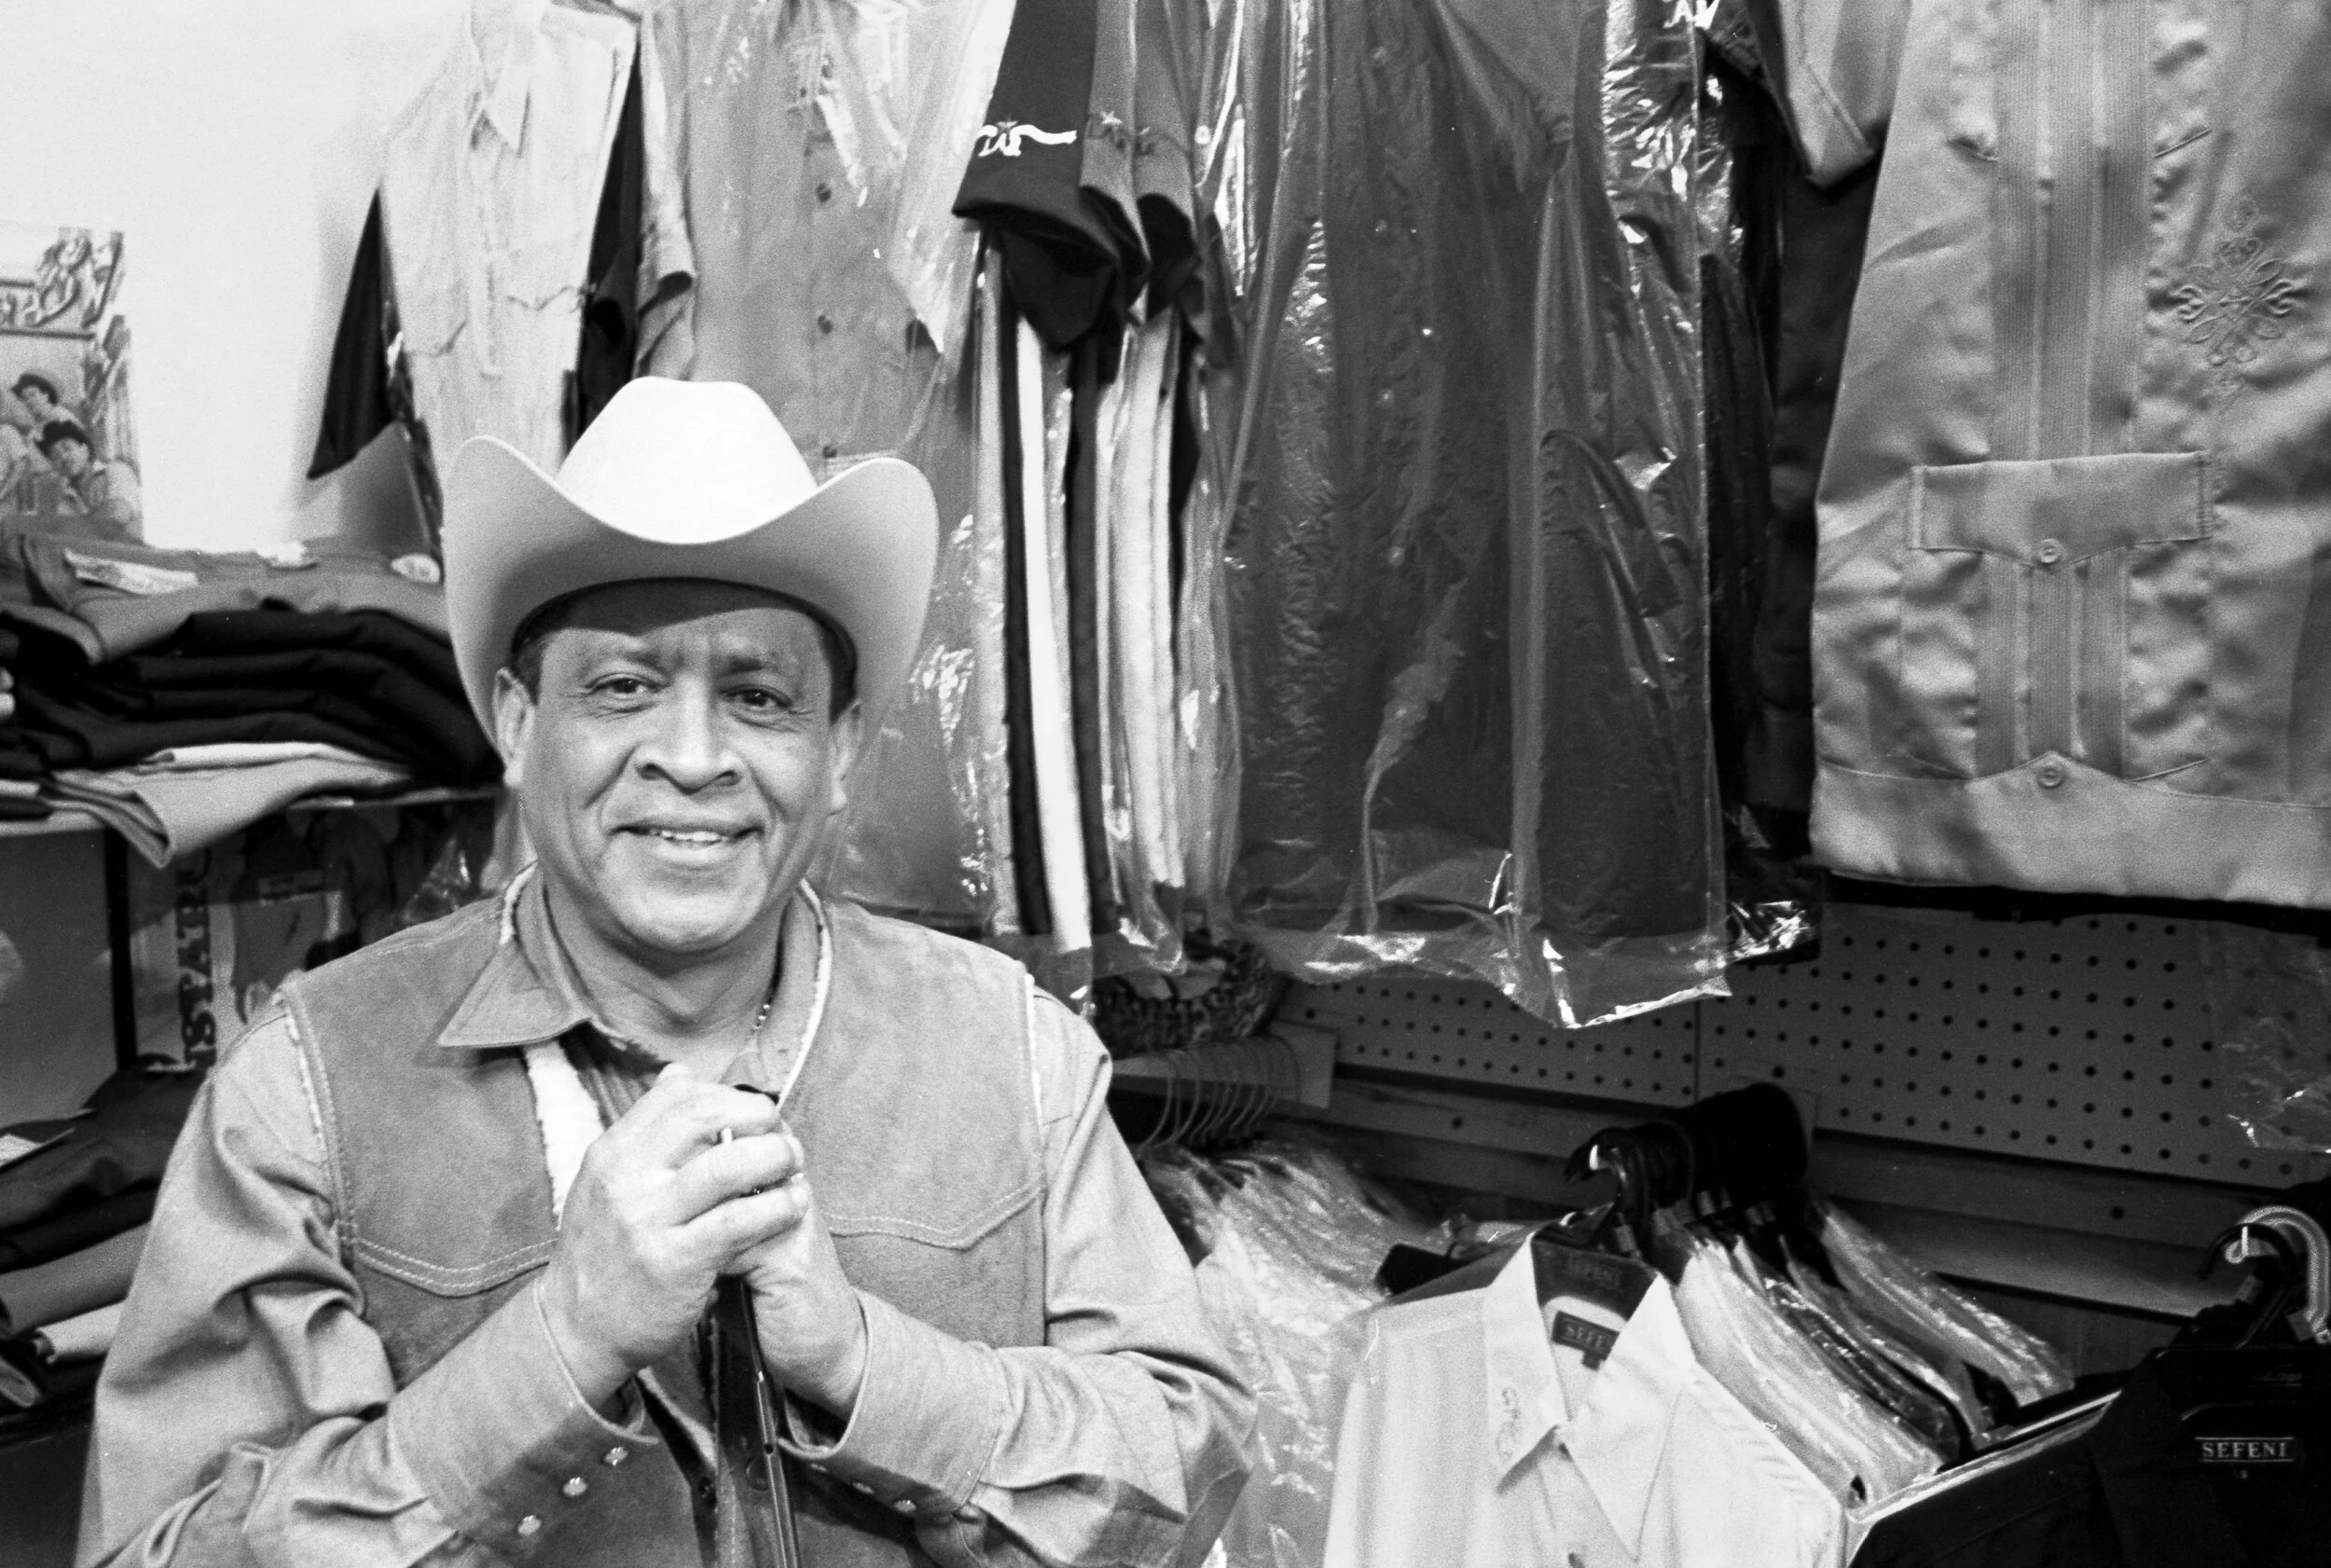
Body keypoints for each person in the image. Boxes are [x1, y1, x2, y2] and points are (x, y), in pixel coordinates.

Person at [80, 378, 1253, 1567]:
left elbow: (1180, 1475)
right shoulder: (309, 1087)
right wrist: (560, 1344)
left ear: (838, 747)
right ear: (518, 720)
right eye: (623, 687)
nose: (693, 758)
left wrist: (862, 1364)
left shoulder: (1011, 1052)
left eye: (757, 696)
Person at [40, 420, 143, 535]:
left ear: (85, 449)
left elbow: (117, 515)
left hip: (133, 549)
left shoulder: (116, 471)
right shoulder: (65, 494)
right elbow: (65, 531)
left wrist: (81, 526)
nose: (63, 457)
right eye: (55, 456)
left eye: (67, 448)